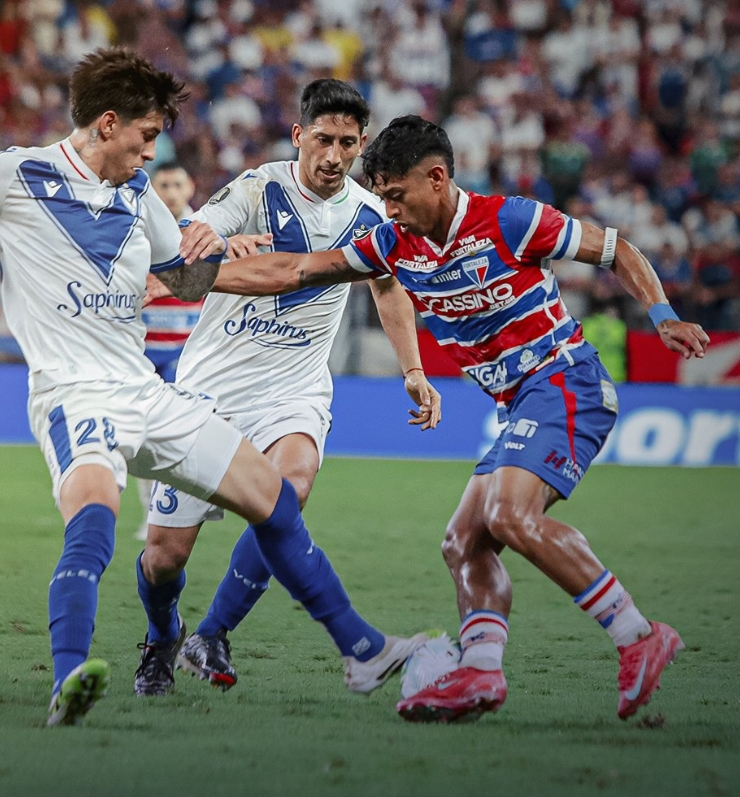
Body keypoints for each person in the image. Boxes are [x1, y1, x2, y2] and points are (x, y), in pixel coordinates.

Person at [210, 115, 710, 723]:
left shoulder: (510, 219)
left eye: (395, 195)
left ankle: (638, 635)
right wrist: (193, 278)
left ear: (437, 179)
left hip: (564, 381)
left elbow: (616, 250)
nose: (387, 210)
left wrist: (662, 316)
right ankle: (479, 672)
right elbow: (297, 270)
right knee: (463, 543)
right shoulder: (394, 243)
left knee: (507, 515)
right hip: (517, 404)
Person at [135, 80, 440, 697]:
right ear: (300, 135)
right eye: (323, 140)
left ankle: (214, 633)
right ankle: (163, 635)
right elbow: (200, 230)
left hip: (293, 390)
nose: (333, 155)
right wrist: (211, 240)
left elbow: (388, 288)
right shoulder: (258, 188)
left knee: (288, 489)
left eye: (347, 144)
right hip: (209, 392)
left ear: (360, 146)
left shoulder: (369, 212)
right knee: (164, 557)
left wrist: (413, 370)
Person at [134, 161, 203, 540]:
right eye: (163, 184)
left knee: (177, 436)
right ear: (153, 190)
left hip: (184, 352)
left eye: (177, 183)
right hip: (144, 352)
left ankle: (177, 513)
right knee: (141, 437)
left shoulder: (203, 233)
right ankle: (150, 513)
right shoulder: (137, 233)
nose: (171, 192)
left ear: (190, 187)